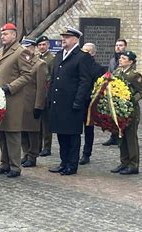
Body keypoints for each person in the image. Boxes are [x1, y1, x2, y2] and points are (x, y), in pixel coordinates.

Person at [48, 27, 92, 176]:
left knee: (72, 136)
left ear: (75, 39)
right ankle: (63, 162)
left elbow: (84, 82)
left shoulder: (81, 56)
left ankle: (72, 165)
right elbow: (54, 78)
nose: (63, 39)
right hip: (58, 103)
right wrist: (50, 98)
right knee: (61, 134)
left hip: (72, 104)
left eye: (67, 37)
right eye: (63, 37)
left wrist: (78, 101)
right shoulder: (59, 55)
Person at [0, 23, 32, 178]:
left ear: (14, 35)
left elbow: (26, 75)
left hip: (13, 98)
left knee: (13, 133)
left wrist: (10, 87)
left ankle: (15, 166)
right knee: (2, 131)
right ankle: (4, 163)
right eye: (2, 34)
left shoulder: (21, 52)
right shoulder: (1, 51)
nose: (3, 37)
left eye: (6, 34)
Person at [110, 51, 142, 175]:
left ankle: (133, 165)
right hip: (119, 111)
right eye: (120, 58)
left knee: (131, 138)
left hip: (131, 111)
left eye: (124, 58)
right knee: (121, 137)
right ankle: (124, 162)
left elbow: (141, 92)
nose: (120, 59)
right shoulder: (117, 72)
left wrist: (130, 101)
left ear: (130, 62)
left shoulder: (134, 75)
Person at [20, 38, 47, 168]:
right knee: (22, 130)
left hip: (32, 103)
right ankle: (25, 153)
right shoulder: (21, 62)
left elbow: (41, 87)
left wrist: (38, 105)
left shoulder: (39, 64)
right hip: (21, 102)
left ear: (34, 48)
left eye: (28, 47)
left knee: (33, 132)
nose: (26, 50)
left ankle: (33, 155)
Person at [79, 43, 105, 165]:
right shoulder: (77, 64)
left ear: (93, 53)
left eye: (88, 51)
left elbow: (98, 87)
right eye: (84, 51)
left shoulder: (98, 68)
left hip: (89, 102)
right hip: (77, 101)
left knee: (89, 129)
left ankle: (86, 153)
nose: (86, 54)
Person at [103, 39, 128, 146]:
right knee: (112, 115)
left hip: (122, 90)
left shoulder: (128, 58)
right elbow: (109, 72)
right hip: (112, 90)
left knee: (122, 115)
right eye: (117, 45)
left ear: (125, 47)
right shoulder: (113, 59)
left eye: (121, 45)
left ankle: (121, 137)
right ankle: (113, 136)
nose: (118, 47)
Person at [36, 35, 55, 157]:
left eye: (44, 45)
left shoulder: (51, 58)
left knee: (46, 123)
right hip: (37, 92)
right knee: (38, 122)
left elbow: (51, 76)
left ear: (48, 45)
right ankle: (37, 146)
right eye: (40, 45)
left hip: (46, 92)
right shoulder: (37, 57)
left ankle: (47, 147)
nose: (42, 47)